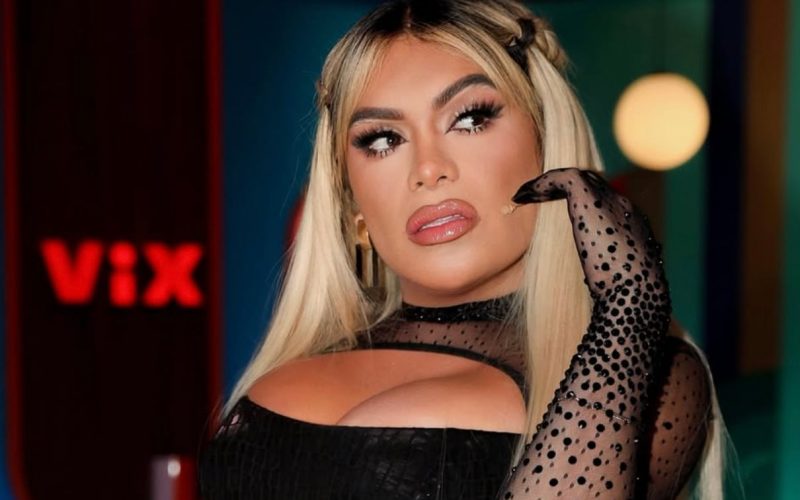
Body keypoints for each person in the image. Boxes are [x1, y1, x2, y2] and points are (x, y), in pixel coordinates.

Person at [198, 1, 730, 498]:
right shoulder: (303, 357)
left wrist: (627, 312)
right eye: (383, 139)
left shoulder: (648, 368)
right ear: (351, 199)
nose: (429, 169)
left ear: (547, 141)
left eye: (470, 118)